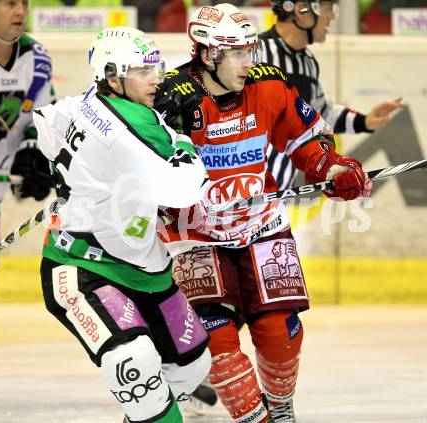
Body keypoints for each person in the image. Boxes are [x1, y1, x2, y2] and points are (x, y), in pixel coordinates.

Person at [155, 3, 370, 422]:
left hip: (261, 224)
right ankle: (256, 418)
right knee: (214, 337)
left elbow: (306, 138)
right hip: (196, 236)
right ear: (207, 54)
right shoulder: (171, 98)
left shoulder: (268, 84)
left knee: (280, 333)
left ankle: (282, 407)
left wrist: (334, 166)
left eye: (249, 50)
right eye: (236, 53)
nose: (248, 62)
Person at [34, 27, 211, 423]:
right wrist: (180, 136)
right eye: (144, 72)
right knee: (135, 360)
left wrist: (63, 173)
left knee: (192, 364)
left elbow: (45, 121)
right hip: (83, 268)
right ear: (113, 78)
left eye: (157, 69)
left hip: (141, 265)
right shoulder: (131, 126)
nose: (157, 80)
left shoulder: (87, 99)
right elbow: (184, 188)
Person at [259, 0, 403, 189]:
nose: (333, 16)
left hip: (275, 199)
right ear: (301, 10)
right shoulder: (256, 52)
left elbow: (319, 112)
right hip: (243, 192)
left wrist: (364, 121)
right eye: (327, 9)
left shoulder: (308, 61)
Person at [0, 0, 54, 290]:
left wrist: (33, 150)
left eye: (24, 3)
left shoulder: (36, 58)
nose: (20, 12)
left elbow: (45, 117)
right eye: (10, 4)